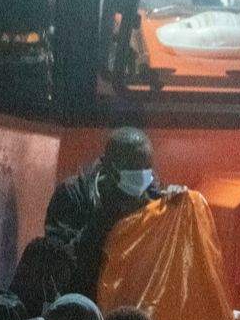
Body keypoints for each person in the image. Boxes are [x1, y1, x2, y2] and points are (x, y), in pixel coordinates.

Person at [43, 127, 176, 297]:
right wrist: (104, 218)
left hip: (129, 298)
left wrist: (174, 203)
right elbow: (59, 263)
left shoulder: (150, 190)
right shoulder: (73, 195)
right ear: (108, 166)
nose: (141, 179)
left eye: (146, 169)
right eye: (132, 170)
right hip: (85, 299)